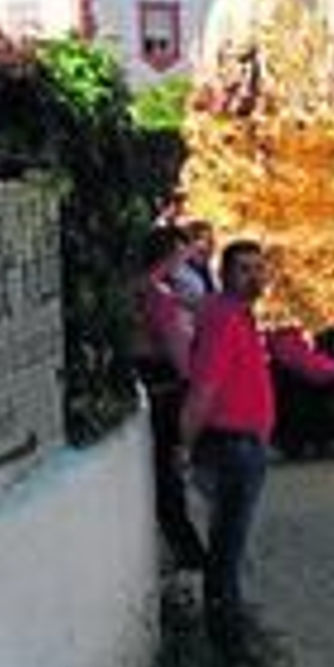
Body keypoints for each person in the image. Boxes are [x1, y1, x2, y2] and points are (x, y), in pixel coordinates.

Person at [180, 240, 276, 655]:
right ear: (224, 274)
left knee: (231, 547)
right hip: (230, 445)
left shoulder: (236, 315)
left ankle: (230, 637)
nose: (254, 277)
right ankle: (229, 647)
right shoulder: (222, 318)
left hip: (244, 442)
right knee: (227, 551)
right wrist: (184, 443)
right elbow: (204, 388)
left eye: (259, 268)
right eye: (244, 270)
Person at [132, 224, 207, 572]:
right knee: (170, 471)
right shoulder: (157, 295)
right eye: (180, 256)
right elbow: (177, 350)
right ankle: (188, 550)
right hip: (166, 387)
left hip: (152, 383)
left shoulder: (149, 292)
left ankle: (184, 546)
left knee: (167, 470)